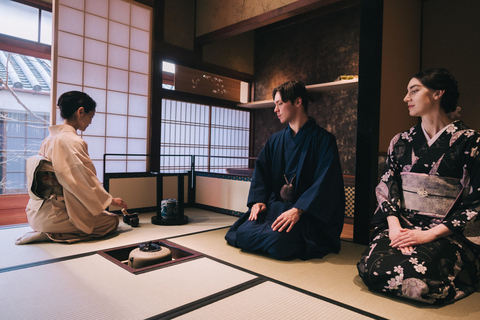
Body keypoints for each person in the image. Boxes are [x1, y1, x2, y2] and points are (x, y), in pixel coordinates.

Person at [357, 68, 480, 304]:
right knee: (371, 266)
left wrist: (427, 236)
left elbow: (475, 202)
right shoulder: (401, 141)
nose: (406, 98)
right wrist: (394, 229)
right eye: (407, 92)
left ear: (438, 93)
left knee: (421, 273)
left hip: (445, 233)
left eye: (414, 91)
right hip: (403, 227)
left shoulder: (471, 142)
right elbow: (387, 187)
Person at [225, 81, 345, 260]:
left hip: (304, 216)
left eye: (279, 104)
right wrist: (258, 201)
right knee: (242, 233)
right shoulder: (274, 141)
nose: (275, 110)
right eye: (275, 104)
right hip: (275, 209)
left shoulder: (324, 140)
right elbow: (262, 173)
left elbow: (326, 182)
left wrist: (299, 209)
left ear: (298, 102)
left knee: (279, 242)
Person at [16, 91, 128, 244]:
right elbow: (80, 181)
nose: (90, 122)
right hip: (56, 216)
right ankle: (52, 235)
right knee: (112, 221)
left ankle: (48, 230)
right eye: (91, 116)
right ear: (80, 111)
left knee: (103, 218)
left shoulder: (49, 139)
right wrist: (109, 200)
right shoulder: (70, 140)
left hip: (36, 213)